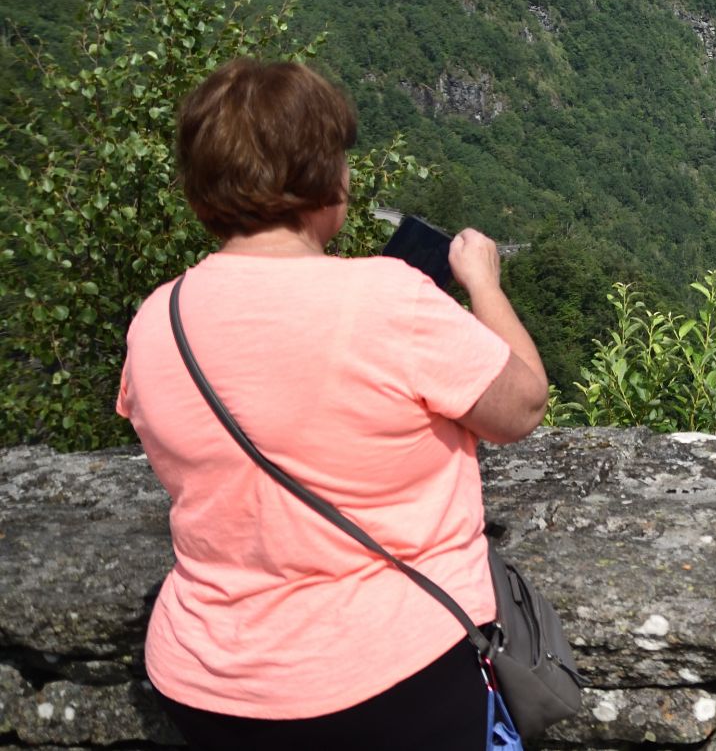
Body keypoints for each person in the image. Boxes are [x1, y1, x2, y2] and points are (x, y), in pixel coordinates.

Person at [117, 59, 550, 749]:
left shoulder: (155, 319)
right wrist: (483, 284)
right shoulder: (387, 296)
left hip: (208, 685)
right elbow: (522, 406)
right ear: (327, 178)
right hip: (391, 683)